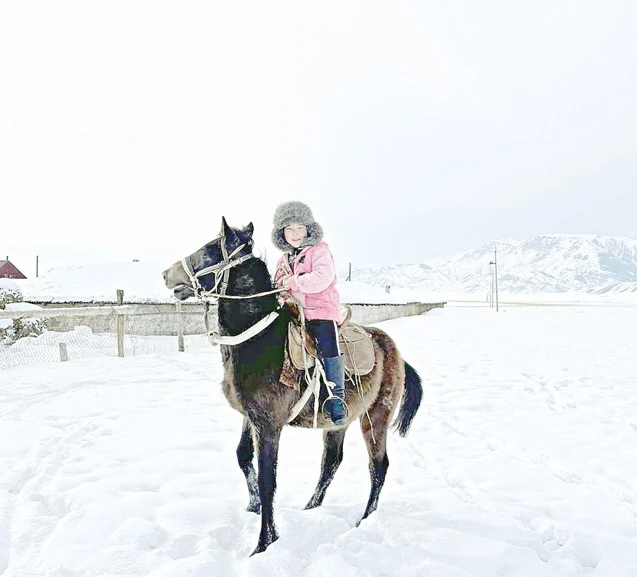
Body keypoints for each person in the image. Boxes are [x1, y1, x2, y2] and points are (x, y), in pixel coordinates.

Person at [272, 200, 347, 426]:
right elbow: (278, 283)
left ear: (308, 229)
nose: (295, 233)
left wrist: (292, 282)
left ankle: (336, 399)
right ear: (282, 233)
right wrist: (281, 294)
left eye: (299, 228)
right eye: (289, 229)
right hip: (293, 312)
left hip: (320, 311)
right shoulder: (283, 259)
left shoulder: (319, 251)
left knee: (327, 344)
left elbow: (321, 279)